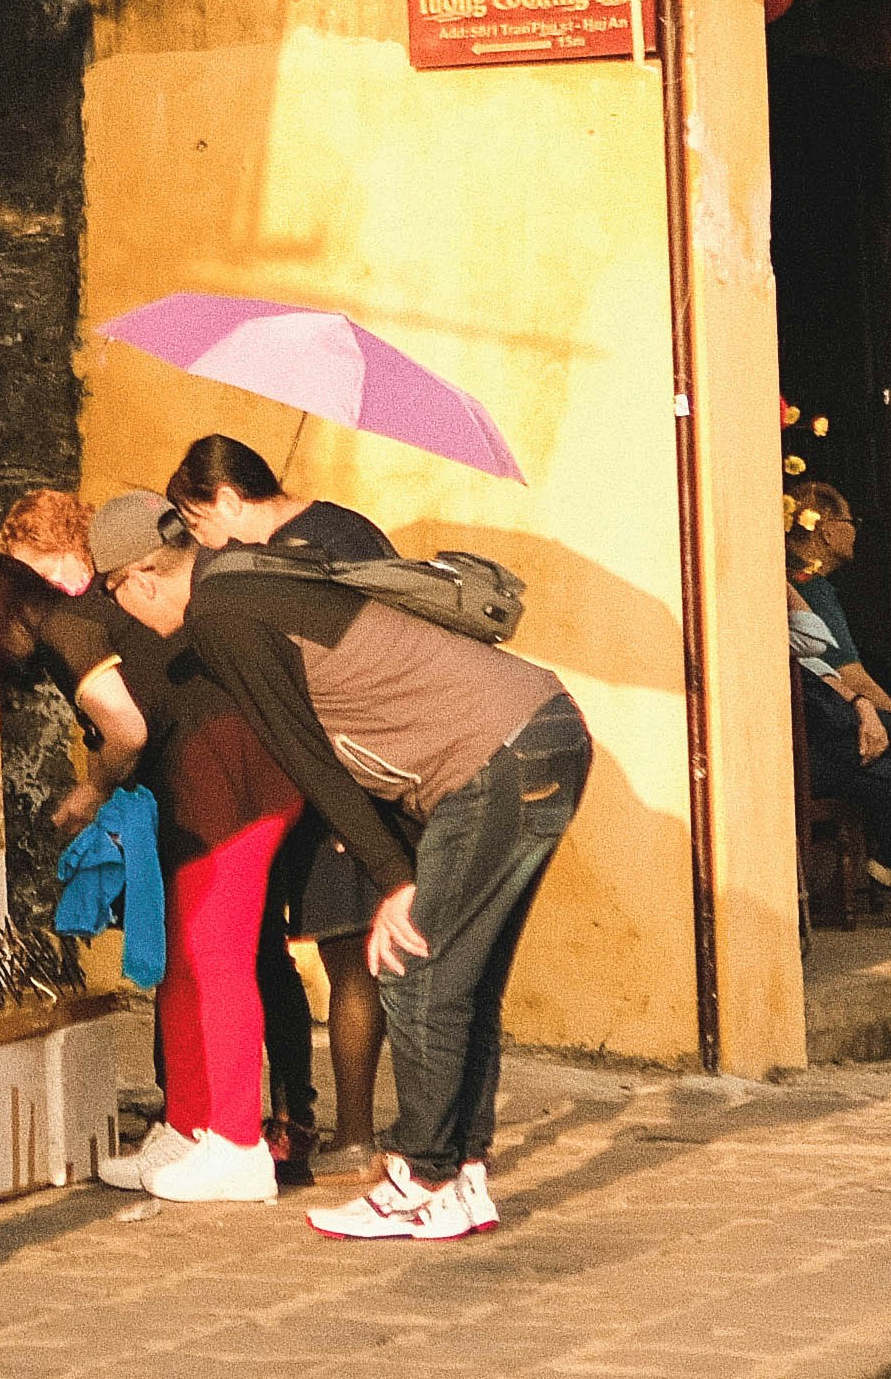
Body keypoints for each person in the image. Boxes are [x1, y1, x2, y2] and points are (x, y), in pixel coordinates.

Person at [106, 530, 587, 1246]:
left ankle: (423, 1180)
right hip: (547, 730)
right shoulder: (256, 575)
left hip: (487, 760)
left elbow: (305, 751)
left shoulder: (218, 615)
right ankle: (463, 1174)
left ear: (142, 578)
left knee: (416, 972)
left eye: (115, 598)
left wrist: (393, 878)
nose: (128, 622)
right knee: (465, 979)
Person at [0, 496, 290, 1204]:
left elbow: (128, 730)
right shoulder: (84, 617)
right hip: (202, 784)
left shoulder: (68, 629)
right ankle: (188, 1127)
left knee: (218, 961)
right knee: (182, 966)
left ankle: (238, 1143)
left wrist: (90, 792)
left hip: (232, 779)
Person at [167, 436, 389, 1173]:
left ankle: (357, 1132)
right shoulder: (323, 535)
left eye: (200, 525)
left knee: (352, 953)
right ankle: (335, 1122)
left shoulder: (317, 544)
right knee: (341, 948)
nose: (203, 545)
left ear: (230, 499)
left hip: (348, 763)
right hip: (333, 758)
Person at [785, 488, 891, 922]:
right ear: (826, 531)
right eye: (851, 521)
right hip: (805, 741)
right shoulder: (806, 585)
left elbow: (820, 652)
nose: (856, 532)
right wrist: (888, 714)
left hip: (827, 724)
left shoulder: (809, 587)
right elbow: (838, 663)